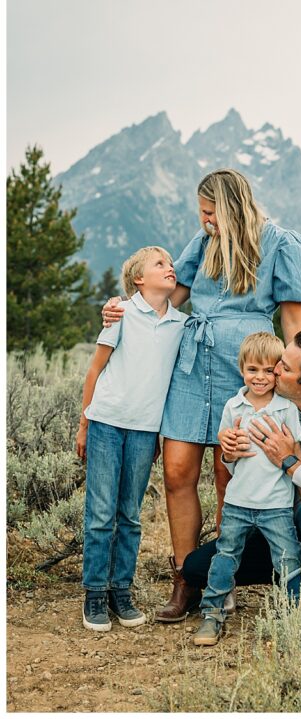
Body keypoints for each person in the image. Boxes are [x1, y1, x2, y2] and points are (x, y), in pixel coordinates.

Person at [102, 168, 301, 622]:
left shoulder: (279, 244)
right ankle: (184, 580)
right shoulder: (202, 245)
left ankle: (223, 578)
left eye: (208, 211)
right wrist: (121, 309)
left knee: (228, 475)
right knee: (178, 470)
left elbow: (295, 321)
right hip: (191, 364)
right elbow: (167, 297)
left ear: (230, 206)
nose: (203, 221)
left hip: (246, 367)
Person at [182, 330, 301, 606]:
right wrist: (231, 455)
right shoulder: (269, 408)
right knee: (196, 567)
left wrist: (290, 462)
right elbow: (251, 470)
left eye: (284, 367)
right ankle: (299, 577)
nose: (274, 369)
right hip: (282, 520)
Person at [76, 247, 187, 631]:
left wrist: (158, 433)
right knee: (101, 513)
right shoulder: (121, 312)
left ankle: (120, 590)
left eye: (171, 263)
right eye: (160, 264)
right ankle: (94, 592)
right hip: (106, 422)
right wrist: (84, 423)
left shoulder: (180, 324)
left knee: (129, 515)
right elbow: (95, 369)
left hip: (144, 431)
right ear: (139, 278)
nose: (169, 267)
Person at [193, 333, 301, 645]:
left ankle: (297, 614)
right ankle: (212, 613)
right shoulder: (234, 406)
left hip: (277, 504)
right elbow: (229, 459)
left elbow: (295, 454)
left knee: (288, 558)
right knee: (225, 555)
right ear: (242, 368)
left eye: (269, 370)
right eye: (253, 369)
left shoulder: (286, 409)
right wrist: (228, 452)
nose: (260, 377)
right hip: (238, 502)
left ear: (278, 372)